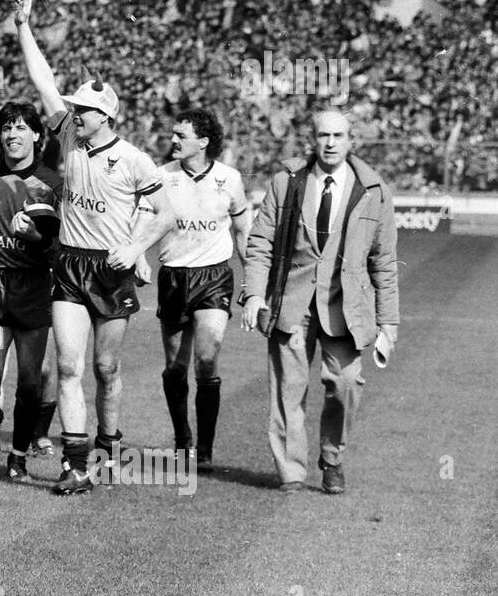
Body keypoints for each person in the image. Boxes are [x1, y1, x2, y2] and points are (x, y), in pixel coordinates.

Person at [8, 0, 174, 496]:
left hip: (113, 268)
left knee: (106, 367)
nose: (75, 113)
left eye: (85, 109)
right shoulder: (66, 138)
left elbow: (166, 213)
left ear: (107, 116)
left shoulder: (134, 160)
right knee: (68, 365)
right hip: (70, 267)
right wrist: (23, 27)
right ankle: (75, 465)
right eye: (75, 107)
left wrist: (137, 246)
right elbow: (43, 83)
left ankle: (108, 443)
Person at [242, 109, 399, 495]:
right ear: (312, 139)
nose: (330, 143)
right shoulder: (286, 182)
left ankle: (332, 458)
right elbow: (260, 242)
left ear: (351, 140)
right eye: (323, 135)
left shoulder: (374, 191)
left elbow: (384, 261)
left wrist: (388, 322)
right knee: (287, 390)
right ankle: (291, 472)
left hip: (345, 308)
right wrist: (254, 294)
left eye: (338, 136)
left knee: (346, 384)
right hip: (291, 303)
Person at [0, 102, 63, 483]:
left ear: (37, 135)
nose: (13, 134)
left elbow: (58, 248)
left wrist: (34, 236)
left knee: (29, 381)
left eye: (21, 128)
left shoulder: (52, 183)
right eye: (7, 127)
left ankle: (18, 457)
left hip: (33, 287)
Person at [150, 108, 250, 473]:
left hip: (213, 277)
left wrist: (252, 280)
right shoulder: (161, 177)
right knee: (176, 368)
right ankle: (183, 442)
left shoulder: (229, 178)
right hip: (174, 275)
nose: (173, 140)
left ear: (204, 141)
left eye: (182, 135)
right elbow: (143, 221)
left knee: (207, 358)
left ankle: (204, 451)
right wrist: (137, 258)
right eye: (173, 134)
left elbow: (242, 230)